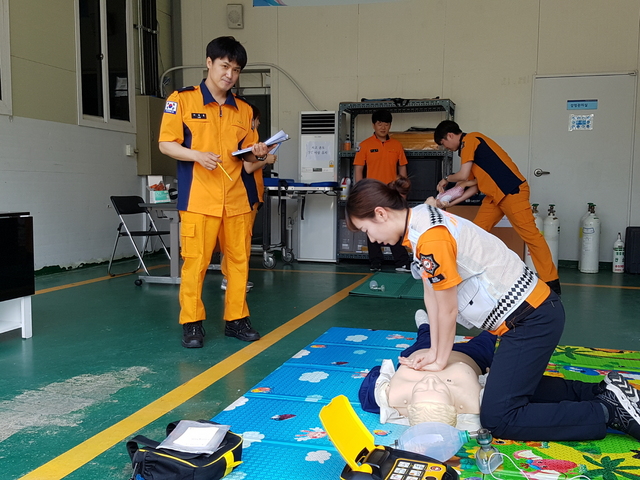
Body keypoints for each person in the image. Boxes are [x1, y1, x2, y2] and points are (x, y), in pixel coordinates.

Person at [346, 177, 640, 442]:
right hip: (531, 314)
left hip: (532, 319)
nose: (372, 239)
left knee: (499, 418)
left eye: (366, 229)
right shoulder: (421, 221)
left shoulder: (431, 237)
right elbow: (432, 298)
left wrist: (439, 360)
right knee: (504, 391)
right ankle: (603, 392)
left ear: (381, 214)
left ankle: (607, 412)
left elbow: (447, 310)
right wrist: (435, 352)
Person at [159, 36, 270, 347]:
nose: (229, 75)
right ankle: (192, 323)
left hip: (237, 200)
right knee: (195, 263)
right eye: (224, 66)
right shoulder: (182, 100)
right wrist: (196, 155)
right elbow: (166, 143)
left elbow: (247, 155)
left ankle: (236, 320)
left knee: (239, 263)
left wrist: (259, 152)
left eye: (235, 70)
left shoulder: (244, 110)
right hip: (199, 199)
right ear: (209, 63)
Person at [433, 120, 561, 296]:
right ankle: (469, 277)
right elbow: (472, 186)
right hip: (494, 198)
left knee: (531, 236)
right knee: (475, 233)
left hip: (512, 192)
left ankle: (551, 282)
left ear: (449, 136)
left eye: (444, 144)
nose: (446, 148)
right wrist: (448, 203)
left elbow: (462, 176)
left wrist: (446, 178)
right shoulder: (468, 152)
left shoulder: (470, 140)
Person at [359, 311, 497, 430]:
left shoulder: (392, 398)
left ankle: (425, 326)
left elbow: (375, 374)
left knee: (425, 337)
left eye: (419, 388)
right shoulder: (473, 403)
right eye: (442, 389)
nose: (431, 380)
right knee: (490, 335)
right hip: (470, 355)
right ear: (455, 407)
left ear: (409, 404)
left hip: (422, 352)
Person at [219, 104, 277, 293]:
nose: (258, 124)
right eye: (257, 120)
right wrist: (265, 159)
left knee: (238, 241)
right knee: (239, 241)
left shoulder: (251, 140)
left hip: (251, 194)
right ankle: (231, 279)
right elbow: (247, 168)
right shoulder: (247, 141)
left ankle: (232, 278)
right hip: (244, 194)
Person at [353, 109, 411, 273]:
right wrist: (360, 191)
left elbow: (402, 167)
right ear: (374, 125)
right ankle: (375, 263)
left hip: (392, 192)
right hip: (372, 192)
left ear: (390, 126)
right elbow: (359, 169)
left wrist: (403, 189)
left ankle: (401, 262)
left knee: (394, 227)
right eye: (380, 123)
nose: (383, 127)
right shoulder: (365, 145)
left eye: (386, 124)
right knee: (372, 227)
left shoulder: (396, 145)